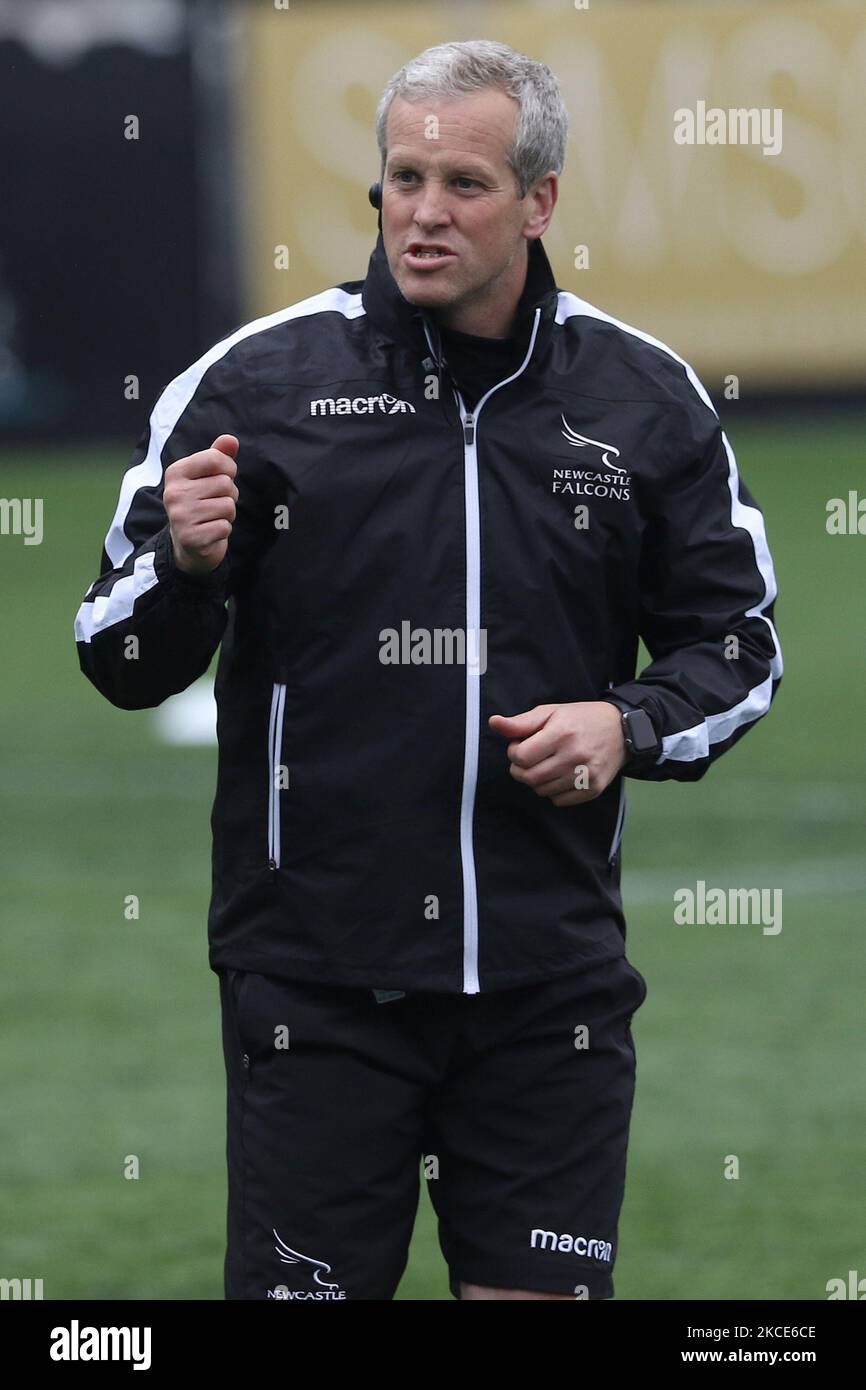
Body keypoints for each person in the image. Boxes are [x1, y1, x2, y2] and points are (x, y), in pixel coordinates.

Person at [74, 39, 783, 1301]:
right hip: (315, 982)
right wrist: (183, 569)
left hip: (545, 984)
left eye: (462, 182)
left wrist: (625, 723)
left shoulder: (641, 401)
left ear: (539, 200)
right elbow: (117, 658)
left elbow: (736, 649)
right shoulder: (255, 386)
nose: (423, 212)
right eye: (402, 178)